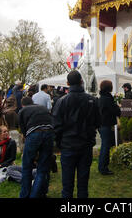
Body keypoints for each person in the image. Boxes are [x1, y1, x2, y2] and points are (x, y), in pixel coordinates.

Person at [52, 70, 101, 198]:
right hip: (84, 144)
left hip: (69, 145)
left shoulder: (62, 102)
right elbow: (97, 122)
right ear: (81, 81)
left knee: (67, 185)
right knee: (82, 185)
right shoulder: (91, 100)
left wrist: (59, 142)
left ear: (67, 83)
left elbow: (56, 126)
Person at [19, 96, 54, 198]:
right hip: (49, 133)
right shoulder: (43, 108)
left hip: (34, 133)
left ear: (22, 104)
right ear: (33, 102)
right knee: (43, 168)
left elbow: (24, 130)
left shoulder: (23, 110)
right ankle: (37, 194)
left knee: (27, 167)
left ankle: (24, 195)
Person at [97, 80, 121, 176]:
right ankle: (103, 168)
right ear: (108, 88)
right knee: (105, 147)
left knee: (105, 146)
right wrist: (117, 107)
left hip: (102, 124)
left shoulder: (101, 98)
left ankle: (102, 166)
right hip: (106, 124)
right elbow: (115, 111)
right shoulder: (107, 98)